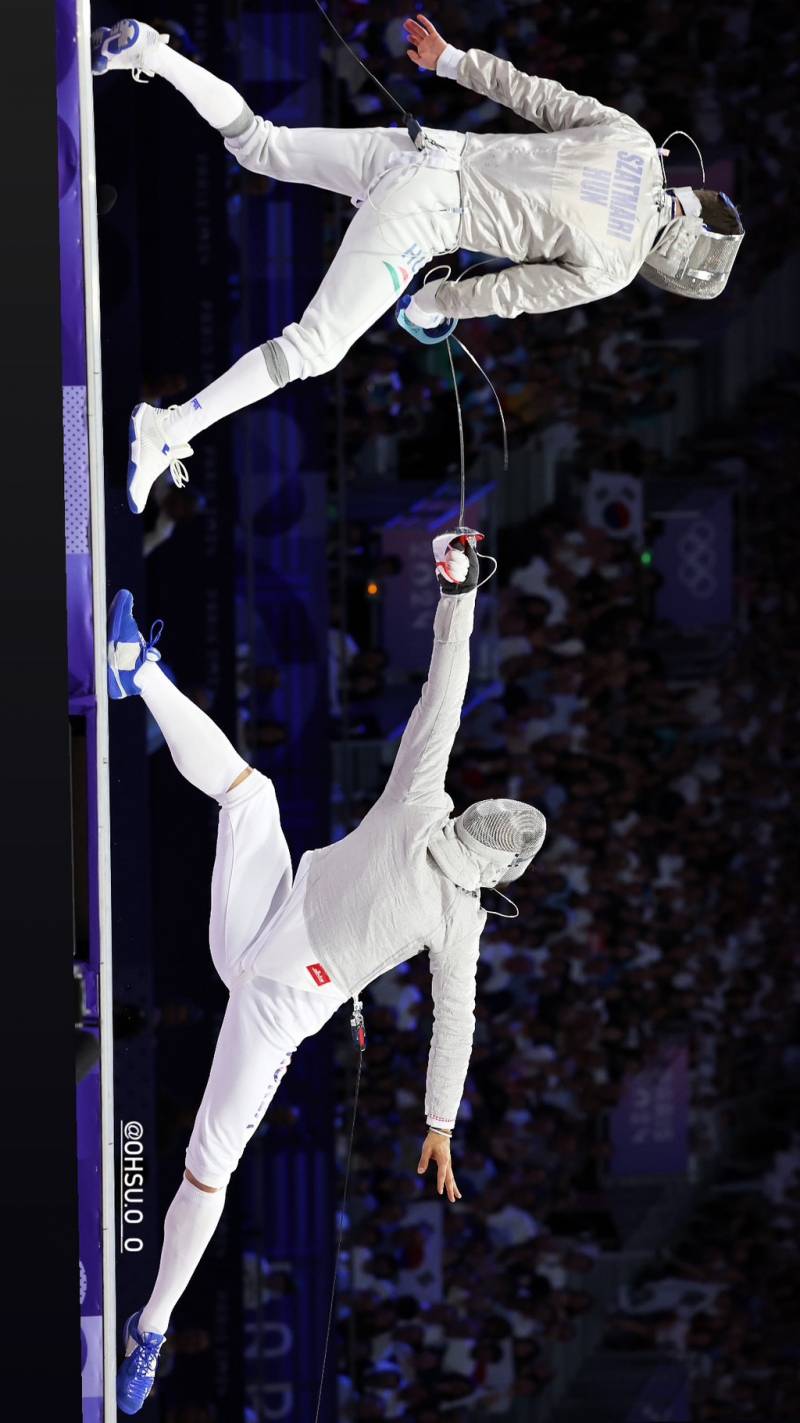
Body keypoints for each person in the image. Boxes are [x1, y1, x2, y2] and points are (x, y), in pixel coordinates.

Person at [107, 534, 546, 1413]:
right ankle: (151, 1327)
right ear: (502, 875)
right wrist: (440, 1124)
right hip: (280, 983)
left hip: (266, 942)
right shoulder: (455, 901)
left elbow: (444, 697)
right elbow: (453, 1019)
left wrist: (455, 589)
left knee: (251, 795)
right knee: (206, 1171)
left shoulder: (425, 804)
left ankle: (141, 672)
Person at [92, 14, 743, 516]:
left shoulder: (632, 140)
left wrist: (452, 61)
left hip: (425, 147)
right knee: (313, 349)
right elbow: (512, 293)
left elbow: (536, 95)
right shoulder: (616, 266)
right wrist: (432, 306)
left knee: (265, 145)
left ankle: (152, 51)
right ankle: (167, 426)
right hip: (430, 211)